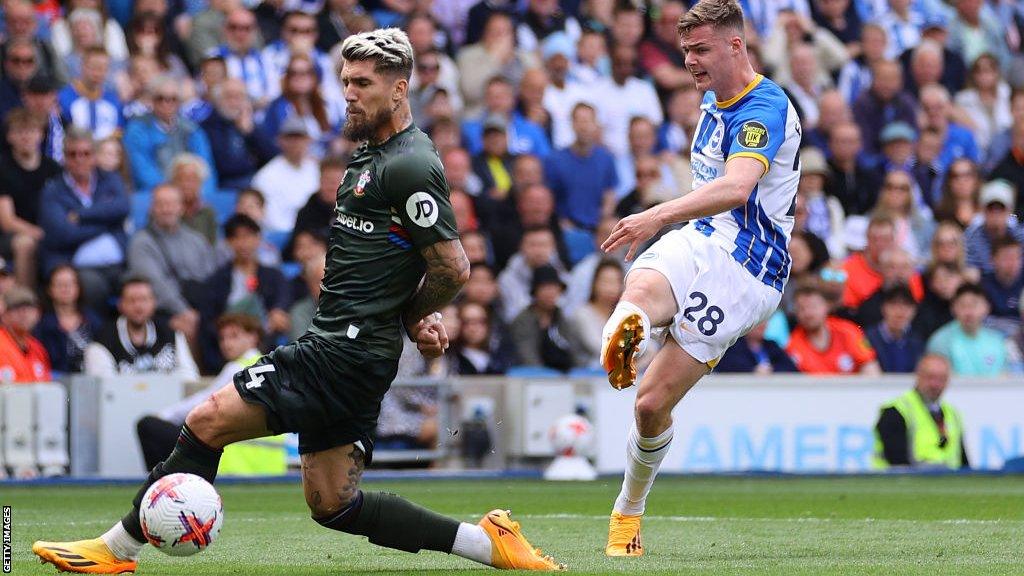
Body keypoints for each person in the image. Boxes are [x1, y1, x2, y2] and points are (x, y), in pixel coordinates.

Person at [33, 28, 564, 573]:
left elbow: (452, 266)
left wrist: (411, 316)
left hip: (343, 350)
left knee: (208, 419)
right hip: (354, 351)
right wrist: (414, 311)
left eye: (362, 83)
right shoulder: (369, 156)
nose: (349, 93)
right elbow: (400, 258)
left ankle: (115, 551)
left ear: (400, 89)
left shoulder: (409, 162)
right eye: (345, 82)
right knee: (332, 503)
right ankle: (487, 543)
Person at [596, 0, 801, 557]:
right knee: (639, 289)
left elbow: (737, 188)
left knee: (648, 406)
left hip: (749, 268)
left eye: (701, 48)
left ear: (737, 44)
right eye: (686, 50)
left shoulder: (764, 106)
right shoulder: (713, 96)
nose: (689, 61)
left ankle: (627, 511)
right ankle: (630, 334)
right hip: (703, 236)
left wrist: (658, 213)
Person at [83, 276, 200, 379]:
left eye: (144, 300)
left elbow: (189, 376)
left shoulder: (171, 333)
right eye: (132, 300)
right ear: (120, 305)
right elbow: (105, 390)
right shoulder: (102, 341)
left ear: (154, 303)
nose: (138, 306)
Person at [873, 354, 968, 469]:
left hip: (949, 484)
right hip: (908, 484)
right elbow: (897, 462)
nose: (935, 384)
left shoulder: (952, 414)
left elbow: (963, 463)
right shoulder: (896, 411)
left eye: (941, 379)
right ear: (918, 376)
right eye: (930, 377)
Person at [786, 283, 882, 374]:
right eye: (801, 308)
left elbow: (871, 367)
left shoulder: (848, 331)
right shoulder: (792, 344)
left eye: (813, 306)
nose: (808, 313)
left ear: (826, 306)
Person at [926, 283, 1012, 376]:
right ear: (953, 308)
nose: (968, 312)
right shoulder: (940, 340)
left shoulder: (997, 341)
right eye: (963, 305)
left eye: (974, 305)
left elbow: (1005, 376)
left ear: (987, 308)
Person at [33, 264, 103, 374]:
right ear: (50, 289)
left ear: (79, 288)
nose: (65, 288)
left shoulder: (93, 320)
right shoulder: (41, 324)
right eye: (60, 284)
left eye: (70, 284)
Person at [865, 284, 924, 373]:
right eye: (894, 304)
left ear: (914, 310)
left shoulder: (917, 340)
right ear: (883, 307)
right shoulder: (868, 338)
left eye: (907, 305)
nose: (900, 311)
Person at [0, 286, 51, 383]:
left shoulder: (38, 350)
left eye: (29, 307)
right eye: (16, 308)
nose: (24, 313)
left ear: (38, 313)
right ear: (4, 315)